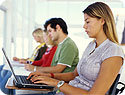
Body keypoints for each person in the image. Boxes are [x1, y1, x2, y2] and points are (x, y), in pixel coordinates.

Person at [27, 2, 124, 95]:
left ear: (102, 21)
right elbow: (74, 75)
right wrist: (48, 76)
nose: (84, 26)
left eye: (88, 21)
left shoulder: (113, 51)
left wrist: (56, 83)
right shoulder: (91, 45)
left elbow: (94, 94)